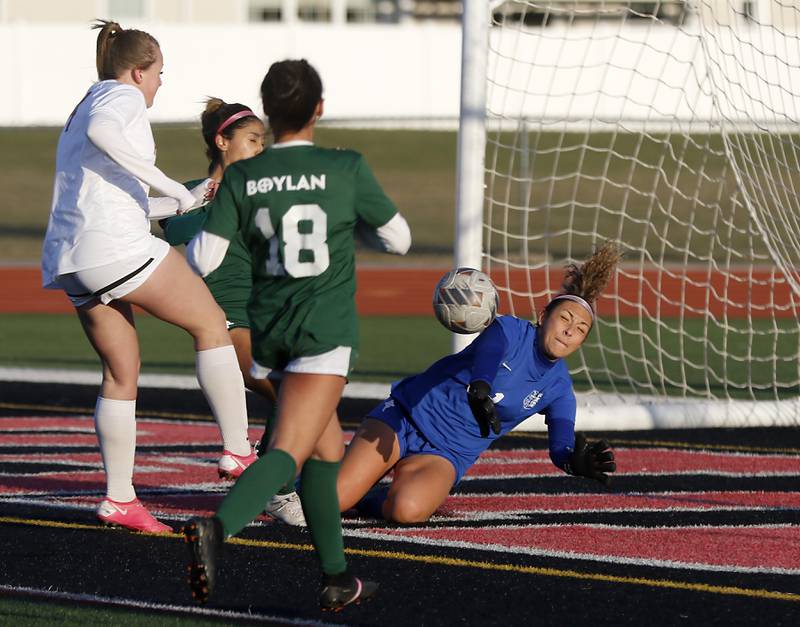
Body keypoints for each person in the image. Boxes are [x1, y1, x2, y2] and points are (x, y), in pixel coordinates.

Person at [181, 59, 411, 610]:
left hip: (268, 331)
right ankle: (219, 528)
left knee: (326, 447)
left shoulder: (239, 178)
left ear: (269, 113)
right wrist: (345, 225)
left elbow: (202, 258)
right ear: (318, 109)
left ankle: (336, 576)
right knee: (289, 448)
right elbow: (398, 239)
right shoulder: (345, 167)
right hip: (322, 331)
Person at [40, 20, 255, 534]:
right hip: (113, 247)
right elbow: (105, 136)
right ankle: (238, 449)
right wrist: (169, 186)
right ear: (139, 71)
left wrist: (175, 199)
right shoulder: (121, 98)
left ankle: (118, 497)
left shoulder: (87, 100)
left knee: (121, 372)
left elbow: (106, 189)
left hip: (72, 257)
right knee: (210, 321)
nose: (161, 83)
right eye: (159, 73)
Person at [336, 243, 620, 523]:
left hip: (448, 453)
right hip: (406, 416)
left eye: (581, 329)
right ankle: (317, 476)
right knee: (334, 500)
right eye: (565, 319)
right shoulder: (510, 329)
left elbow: (561, 446)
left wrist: (574, 461)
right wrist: (480, 384)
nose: (570, 331)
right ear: (544, 316)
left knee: (406, 511)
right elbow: (491, 351)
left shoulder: (559, 390)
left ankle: (366, 496)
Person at [160, 98, 306, 525]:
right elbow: (169, 235)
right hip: (226, 322)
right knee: (293, 393)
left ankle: (270, 474)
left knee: (313, 391)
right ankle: (273, 487)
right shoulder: (187, 196)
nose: (261, 149)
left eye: (263, 141)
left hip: (266, 318)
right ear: (222, 142)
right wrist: (199, 201)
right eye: (252, 140)